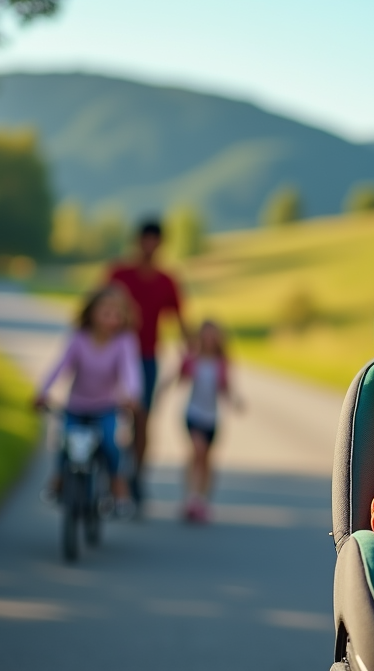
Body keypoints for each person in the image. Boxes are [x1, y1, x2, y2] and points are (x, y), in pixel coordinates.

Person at [35, 285, 141, 513]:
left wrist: (132, 396)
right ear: (91, 313)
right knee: (64, 443)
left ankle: (117, 485)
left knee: (112, 445)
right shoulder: (79, 339)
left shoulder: (124, 342)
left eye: (116, 314)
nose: (111, 318)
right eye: (106, 312)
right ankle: (59, 480)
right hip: (76, 407)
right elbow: (60, 366)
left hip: (106, 407)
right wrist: (43, 391)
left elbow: (130, 371)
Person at [109, 219, 188, 504]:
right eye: (146, 239)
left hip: (146, 358)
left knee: (142, 421)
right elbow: (98, 307)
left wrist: (191, 354)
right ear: (137, 241)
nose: (150, 246)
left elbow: (180, 321)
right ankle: (109, 474)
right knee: (109, 414)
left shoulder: (166, 280)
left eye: (155, 240)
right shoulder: (119, 274)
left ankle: (136, 478)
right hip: (114, 356)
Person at [175, 320, 241, 523]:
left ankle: (202, 500)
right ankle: (191, 498)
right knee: (198, 451)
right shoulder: (193, 359)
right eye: (206, 335)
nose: (210, 339)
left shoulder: (221, 363)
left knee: (206, 459)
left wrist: (235, 401)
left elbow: (225, 388)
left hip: (211, 417)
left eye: (214, 336)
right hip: (193, 414)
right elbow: (180, 379)